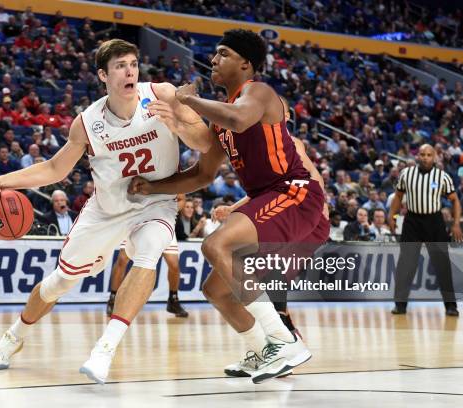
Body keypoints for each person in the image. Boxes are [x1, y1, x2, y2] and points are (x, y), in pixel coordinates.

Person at [0, 39, 212, 384]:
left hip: (156, 200)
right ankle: (13, 337)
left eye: (133, 63)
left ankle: (105, 348)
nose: (130, 70)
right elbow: (55, 169)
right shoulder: (87, 122)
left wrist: (179, 124)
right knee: (60, 282)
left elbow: (205, 142)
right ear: (103, 74)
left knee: (150, 252)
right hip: (106, 209)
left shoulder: (162, 94)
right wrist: (3, 179)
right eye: (120, 65)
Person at [128, 29, 329, 383]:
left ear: (245, 64)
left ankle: (284, 340)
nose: (214, 60)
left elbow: (239, 118)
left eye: (223, 53)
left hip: (294, 194)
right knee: (215, 290)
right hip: (269, 198)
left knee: (216, 244)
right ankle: (259, 349)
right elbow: (202, 175)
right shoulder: (221, 122)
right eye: (215, 53)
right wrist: (153, 187)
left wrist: (188, 101)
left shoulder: (258, 92)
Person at [388, 144, 463, 316]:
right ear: (417, 156)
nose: (425, 157)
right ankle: (400, 305)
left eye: (429, 155)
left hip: (434, 221)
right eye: (422, 154)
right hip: (412, 221)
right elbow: (398, 196)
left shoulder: (443, 176)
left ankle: (451, 306)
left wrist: (456, 223)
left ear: (434, 157)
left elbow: (455, 200)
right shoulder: (406, 174)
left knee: (442, 264)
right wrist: (391, 215)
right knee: (405, 264)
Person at [107, 194, 189, 318]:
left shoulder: (173, 177)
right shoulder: (146, 176)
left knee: (174, 264)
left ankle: (173, 300)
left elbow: (182, 199)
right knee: (122, 259)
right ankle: (113, 298)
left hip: (164, 222)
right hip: (139, 220)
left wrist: (170, 209)